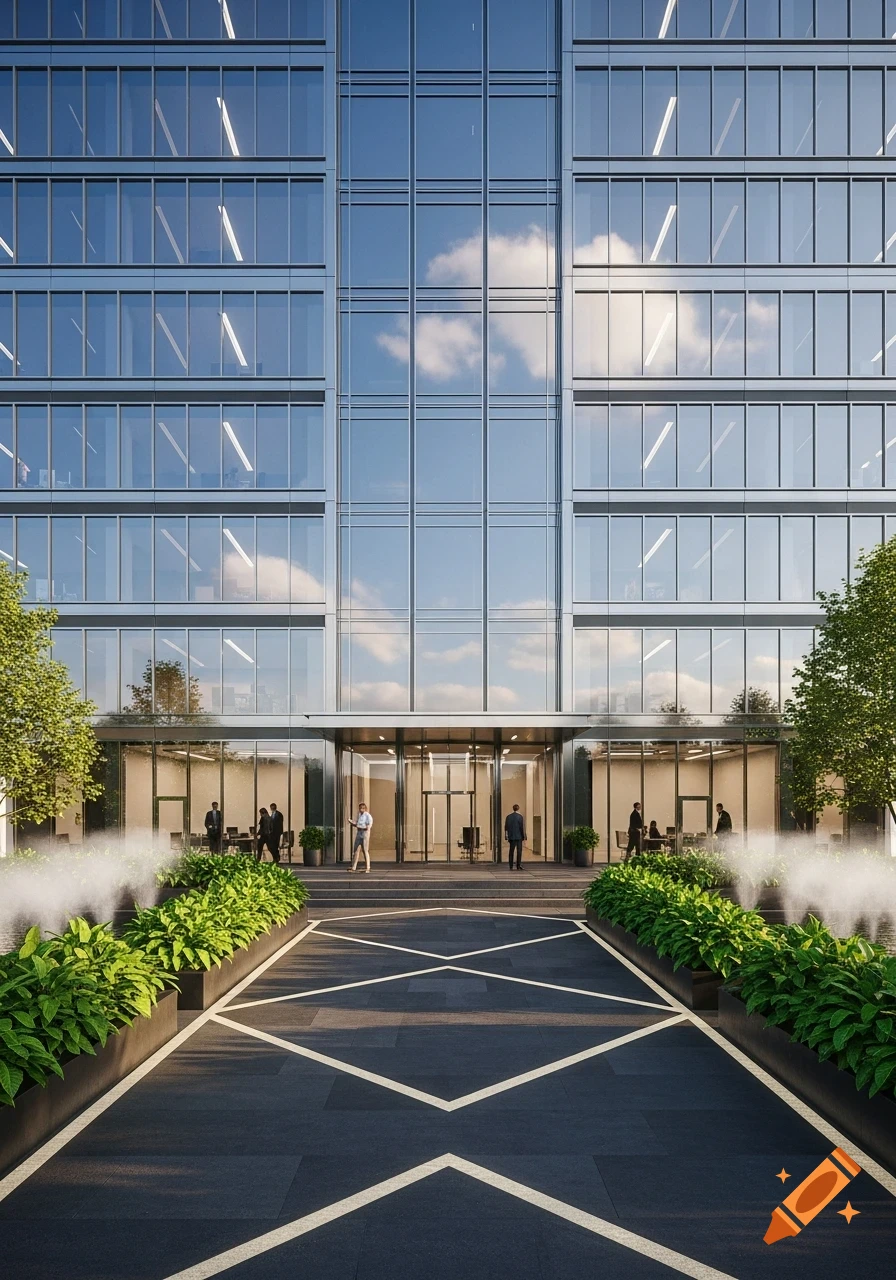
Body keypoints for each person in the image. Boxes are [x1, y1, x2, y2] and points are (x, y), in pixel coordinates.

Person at [348, 801, 373, 873]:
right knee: (355, 850)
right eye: (360, 808)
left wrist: (361, 827)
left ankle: (368, 867)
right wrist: (351, 822)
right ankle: (353, 867)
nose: (361, 809)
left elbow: (368, 826)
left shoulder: (368, 816)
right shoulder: (359, 815)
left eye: (363, 808)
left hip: (365, 834)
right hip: (359, 833)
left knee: (365, 850)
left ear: (365, 809)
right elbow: (357, 823)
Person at [504, 804, 526, 871]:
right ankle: (518, 866)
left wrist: (506, 836)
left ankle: (510, 866)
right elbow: (521, 827)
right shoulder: (520, 817)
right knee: (519, 852)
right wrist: (523, 836)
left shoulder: (508, 817)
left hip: (511, 836)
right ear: (518, 809)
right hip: (519, 837)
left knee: (511, 851)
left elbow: (506, 827)